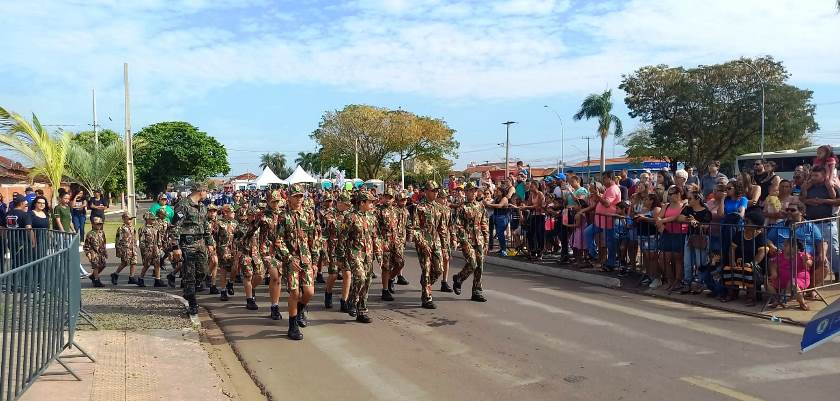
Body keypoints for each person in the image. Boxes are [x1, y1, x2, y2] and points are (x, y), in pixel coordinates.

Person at [275, 185, 320, 340]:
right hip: (291, 259)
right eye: (296, 196)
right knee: (295, 293)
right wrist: (288, 258)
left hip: (306, 258)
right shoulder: (283, 216)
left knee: (309, 292)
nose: (299, 199)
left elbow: (314, 239)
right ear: (289, 198)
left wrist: (315, 260)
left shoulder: (308, 214)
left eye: (301, 196)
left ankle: (300, 310)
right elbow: (279, 241)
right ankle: (292, 326)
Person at [170, 182, 214, 316]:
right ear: (200, 191)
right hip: (187, 243)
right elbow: (175, 226)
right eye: (206, 191)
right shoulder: (183, 205)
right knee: (190, 273)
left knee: (202, 271)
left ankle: (189, 292)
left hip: (200, 242)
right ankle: (192, 302)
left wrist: (210, 242)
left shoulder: (202, 207)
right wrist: (175, 247)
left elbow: (206, 225)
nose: (207, 194)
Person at [340, 191, 381, 325]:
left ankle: (362, 311)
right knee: (360, 277)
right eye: (369, 202)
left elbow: (375, 236)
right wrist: (341, 256)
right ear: (362, 203)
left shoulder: (372, 218)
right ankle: (352, 300)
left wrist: (379, 253)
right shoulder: (350, 217)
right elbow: (342, 237)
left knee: (367, 282)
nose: (372, 204)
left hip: (368, 253)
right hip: (354, 252)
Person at [410, 181, 446, 309]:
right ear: (426, 191)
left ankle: (425, 283)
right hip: (423, 242)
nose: (435, 193)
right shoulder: (419, 207)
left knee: (438, 269)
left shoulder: (439, 208)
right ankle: (427, 297)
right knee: (426, 269)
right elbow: (414, 228)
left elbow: (442, 229)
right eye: (433, 190)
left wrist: (445, 246)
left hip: (435, 242)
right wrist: (422, 242)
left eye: (437, 190)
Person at [801, 165, 840, 284]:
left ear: (823, 176)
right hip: (811, 223)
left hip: (827, 223)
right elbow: (801, 199)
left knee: (833, 250)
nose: (813, 178)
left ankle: (838, 272)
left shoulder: (832, 186)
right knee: (814, 251)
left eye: (816, 175)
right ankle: (813, 279)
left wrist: (823, 201)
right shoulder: (808, 186)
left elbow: (838, 201)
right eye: (812, 175)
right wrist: (809, 201)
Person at [452, 183, 489, 302]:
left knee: (480, 265)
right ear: (466, 192)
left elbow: (484, 223)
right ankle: (459, 278)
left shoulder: (480, 206)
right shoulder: (462, 207)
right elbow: (458, 225)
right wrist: (463, 239)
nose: (473, 193)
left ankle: (477, 291)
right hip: (467, 239)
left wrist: (486, 240)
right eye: (470, 191)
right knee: (472, 263)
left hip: (479, 239)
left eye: (475, 191)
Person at [676, 191, 712, 294]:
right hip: (689, 237)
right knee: (687, 262)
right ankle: (687, 283)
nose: (688, 200)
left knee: (700, 262)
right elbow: (679, 218)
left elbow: (706, 226)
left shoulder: (706, 211)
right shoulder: (688, 208)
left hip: (701, 238)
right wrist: (689, 220)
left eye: (690, 198)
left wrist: (696, 222)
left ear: (697, 199)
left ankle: (699, 283)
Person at [585, 172, 621, 271]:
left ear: (610, 178)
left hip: (608, 220)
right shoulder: (608, 189)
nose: (603, 181)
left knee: (610, 242)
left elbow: (607, 204)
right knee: (588, 232)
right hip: (600, 220)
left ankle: (610, 263)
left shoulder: (613, 189)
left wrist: (598, 196)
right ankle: (594, 255)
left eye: (604, 178)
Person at [656, 187, 688, 291]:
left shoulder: (684, 205)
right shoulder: (666, 206)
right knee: (662, 258)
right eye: (669, 194)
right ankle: (670, 279)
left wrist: (663, 220)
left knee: (678, 258)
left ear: (679, 194)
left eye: (673, 193)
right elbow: (658, 217)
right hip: (667, 233)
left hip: (680, 234)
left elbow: (678, 217)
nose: (670, 196)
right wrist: (661, 226)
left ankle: (677, 281)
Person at [767, 239, 812, 310]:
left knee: (793, 283)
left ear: (795, 247)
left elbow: (809, 265)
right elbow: (773, 264)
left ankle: (802, 303)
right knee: (767, 282)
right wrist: (773, 273)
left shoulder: (802, 255)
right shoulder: (780, 256)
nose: (783, 247)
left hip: (799, 278)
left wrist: (805, 260)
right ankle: (777, 299)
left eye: (786, 245)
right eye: (784, 245)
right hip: (782, 279)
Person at [376, 188, 401, 301]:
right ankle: (385, 290)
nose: (387, 199)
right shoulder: (378, 211)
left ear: (393, 199)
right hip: (384, 240)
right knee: (386, 266)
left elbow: (399, 226)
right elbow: (375, 228)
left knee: (400, 263)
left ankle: (390, 278)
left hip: (395, 240)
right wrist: (379, 242)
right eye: (386, 197)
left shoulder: (396, 211)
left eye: (390, 197)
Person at [215, 205, 237, 301]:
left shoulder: (236, 223)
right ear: (225, 213)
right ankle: (223, 291)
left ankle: (231, 283)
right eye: (231, 212)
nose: (233, 214)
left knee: (235, 268)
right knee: (223, 269)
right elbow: (214, 236)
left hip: (234, 248)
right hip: (223, 249)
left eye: (233, 212)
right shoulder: (219, 223)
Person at [138, 212, 165, 288]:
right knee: (147, 264)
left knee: (157, 264)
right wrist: (144, 251)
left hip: (155, 248)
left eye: (154, 219)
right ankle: (141, 278)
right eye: (152, 219)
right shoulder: (143, 229)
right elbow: (142, 242)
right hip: (148, 249)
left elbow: (159, 238)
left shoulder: (155, 228)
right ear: (147, 219)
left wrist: (159, 247)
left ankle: (157, 280)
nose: (153, 220)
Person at [522, 180, 547, 260]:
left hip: (540, 216)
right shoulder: (531, 194)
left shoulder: (540, 194)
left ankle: (540, 252)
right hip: (533, 215)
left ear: (536, 186)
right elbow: (529, 204)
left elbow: (538, 205)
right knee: (530, 234)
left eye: (532, 186)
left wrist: (527, 207)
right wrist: (524, 206)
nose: (530, 187)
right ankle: (533, 251)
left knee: (540, 234)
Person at [112, 213, 139, 286]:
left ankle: (131, 277)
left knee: (134, 262)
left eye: (131, 219)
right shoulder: (121, 229)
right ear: (124, 219)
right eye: (129, 219)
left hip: (132, 247)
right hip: (125, 248)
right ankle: (115, 274)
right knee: (125, 262)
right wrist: (119, 250)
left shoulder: (132, 228)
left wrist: (135, 245)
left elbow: (134, 237)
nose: (130, 220)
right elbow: (118, 240)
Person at [83, 216, 107, 287]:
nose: (99, 225)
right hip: (93, 252)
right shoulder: (90, 234)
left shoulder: (102, 233)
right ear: (93, 224)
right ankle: (96, 280)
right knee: (96, 266)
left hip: (101, 252)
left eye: (100, 224)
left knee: (103, 265)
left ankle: (93, 276)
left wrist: (105, 252)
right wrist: (88, 254)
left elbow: (104, 242)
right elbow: (86, 246)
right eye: (97, 224)